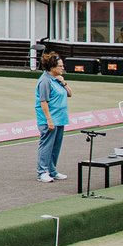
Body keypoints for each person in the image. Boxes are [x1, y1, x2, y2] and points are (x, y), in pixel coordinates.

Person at [35, 53, 71, 182]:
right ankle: (42, 172)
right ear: (52, 67)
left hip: (60, 118)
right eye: (60, 66)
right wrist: (49, 120)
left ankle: (52, 170)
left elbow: (70, 94)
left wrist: (64, 82)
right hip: (49, 119)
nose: (62, 68)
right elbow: (43, 102)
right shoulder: (45, 81)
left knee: (56, 146)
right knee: (46, 145)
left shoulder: (57, 79)